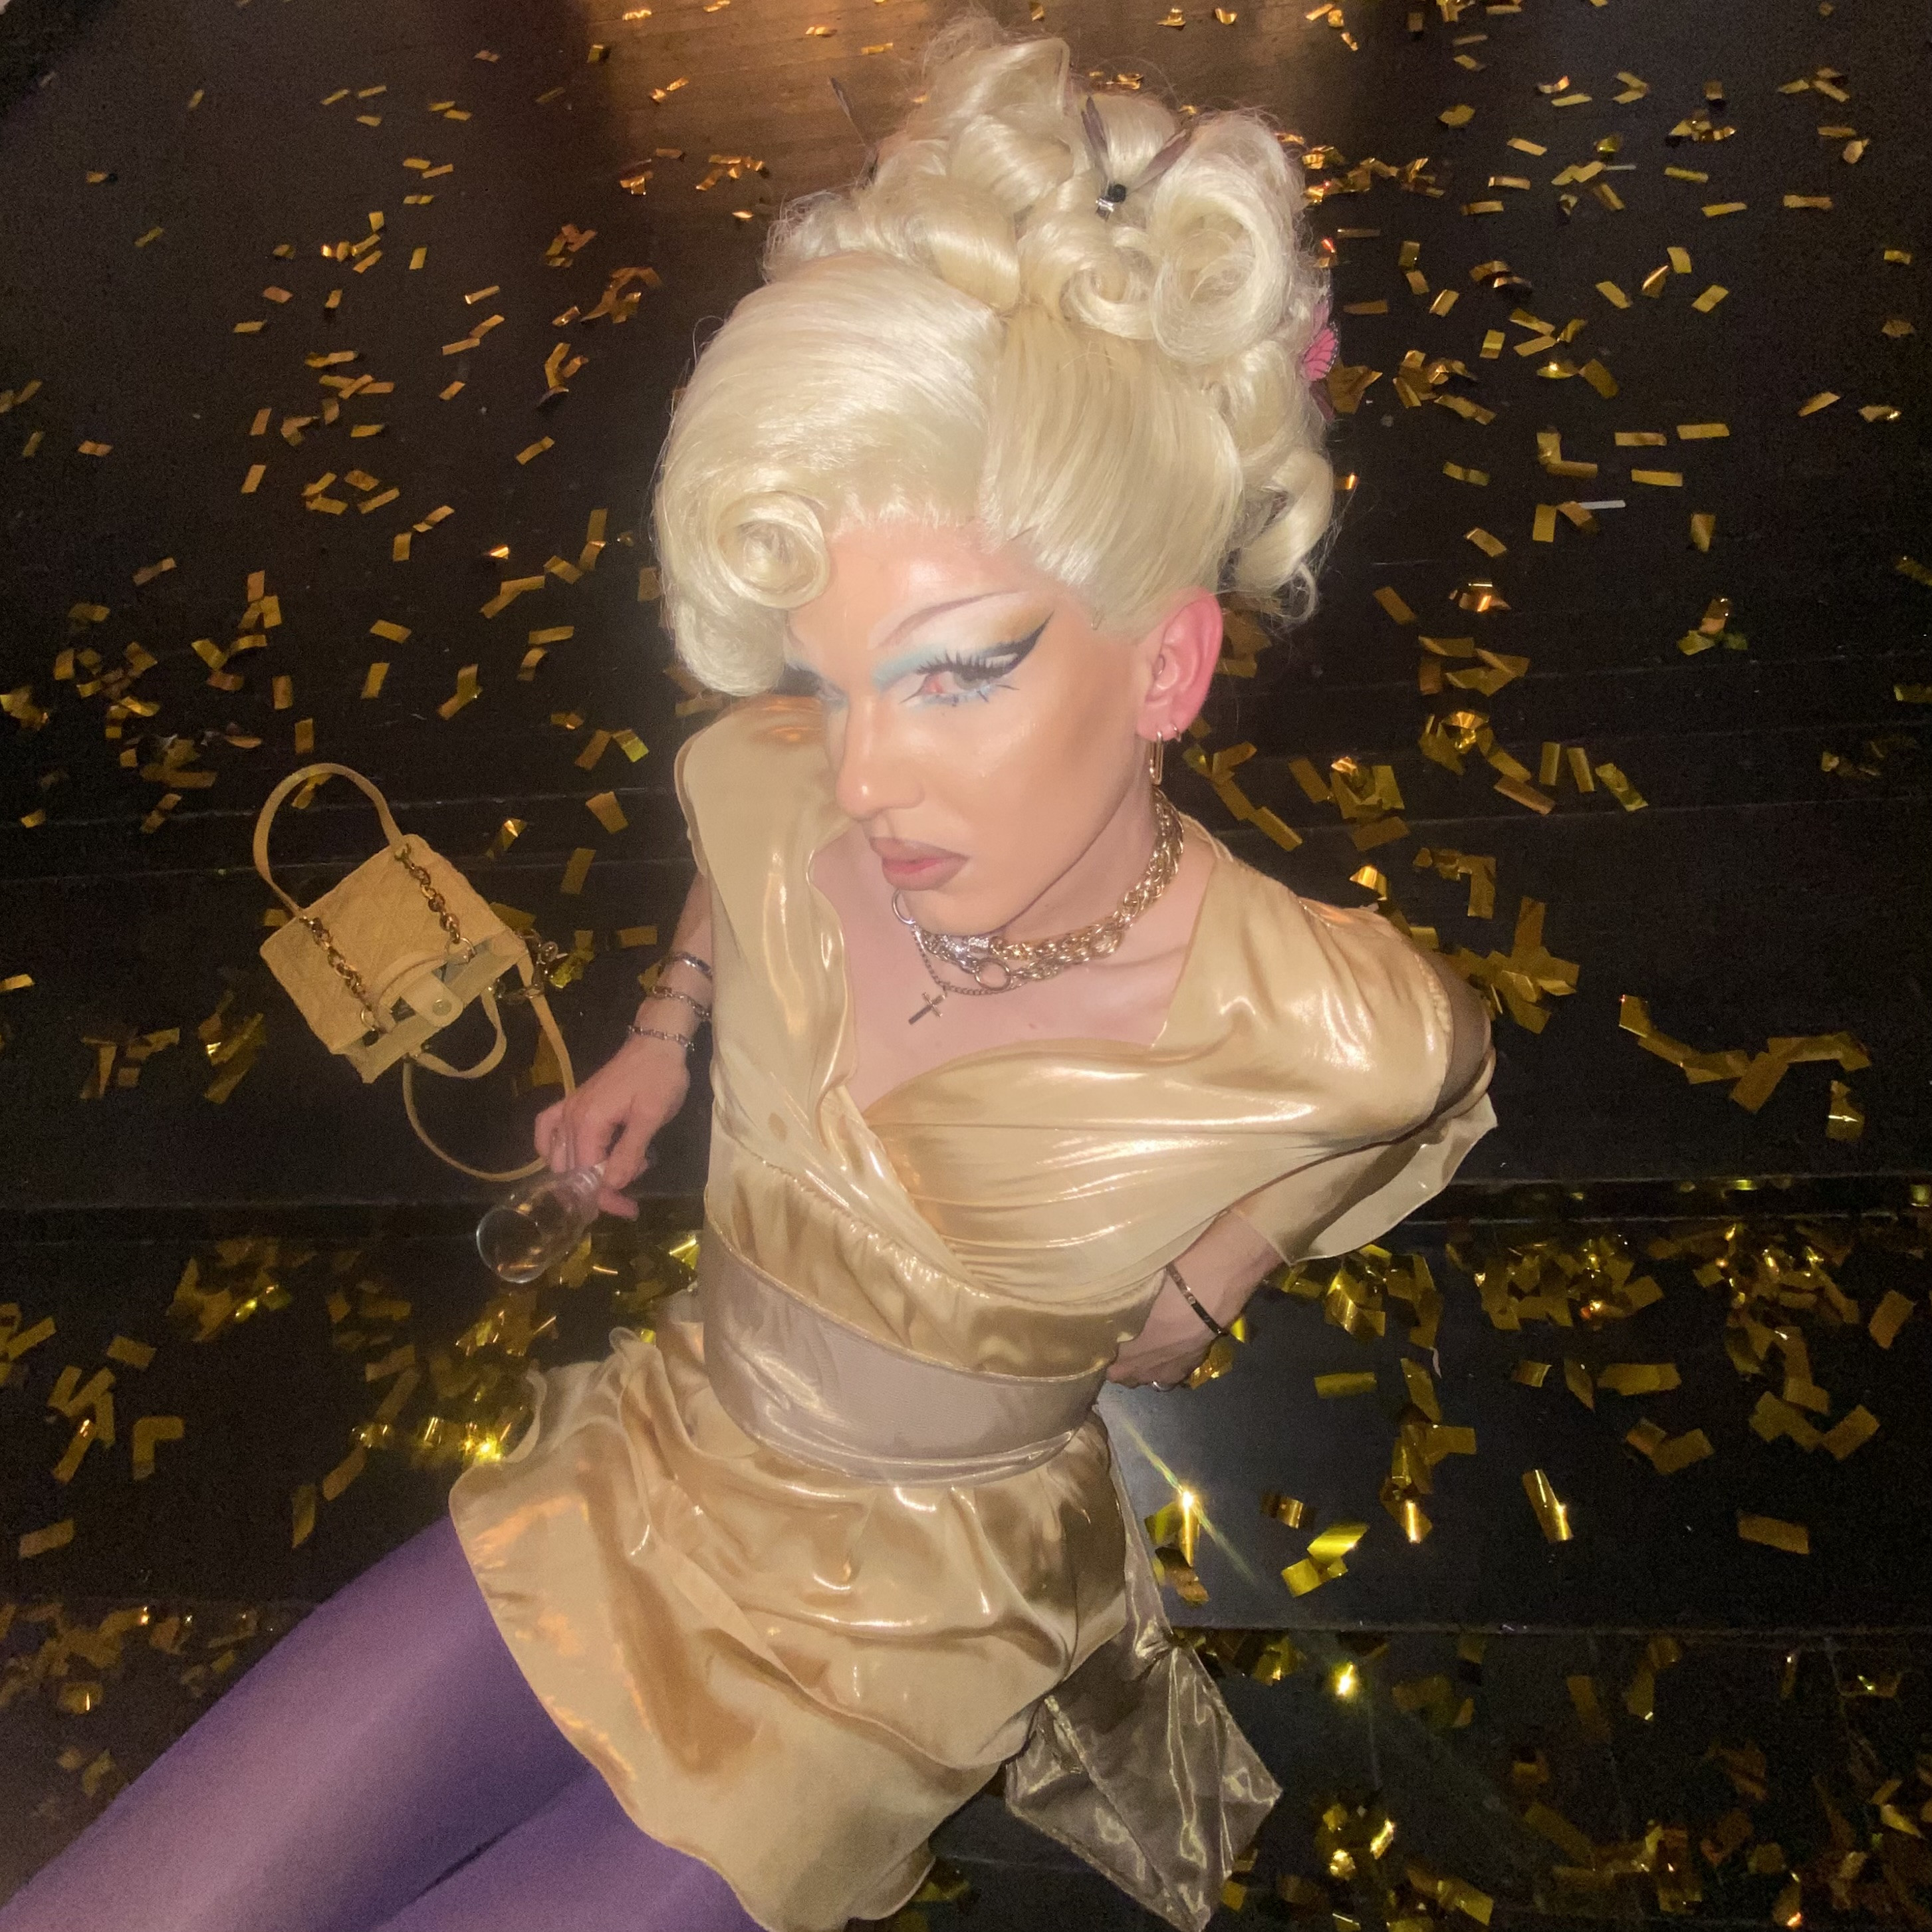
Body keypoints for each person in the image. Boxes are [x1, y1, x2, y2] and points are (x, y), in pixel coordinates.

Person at [0, 13, 1495, 1932]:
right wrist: (663, 1030)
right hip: (662, 1466)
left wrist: (1224, 1263)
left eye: (955, 673)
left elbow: (1435, 1075)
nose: (862, 780)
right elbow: (755, 830)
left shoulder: (1323, 1017)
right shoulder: (780, 781)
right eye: (828, 679)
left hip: (911, 1617)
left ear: (1164, 663)